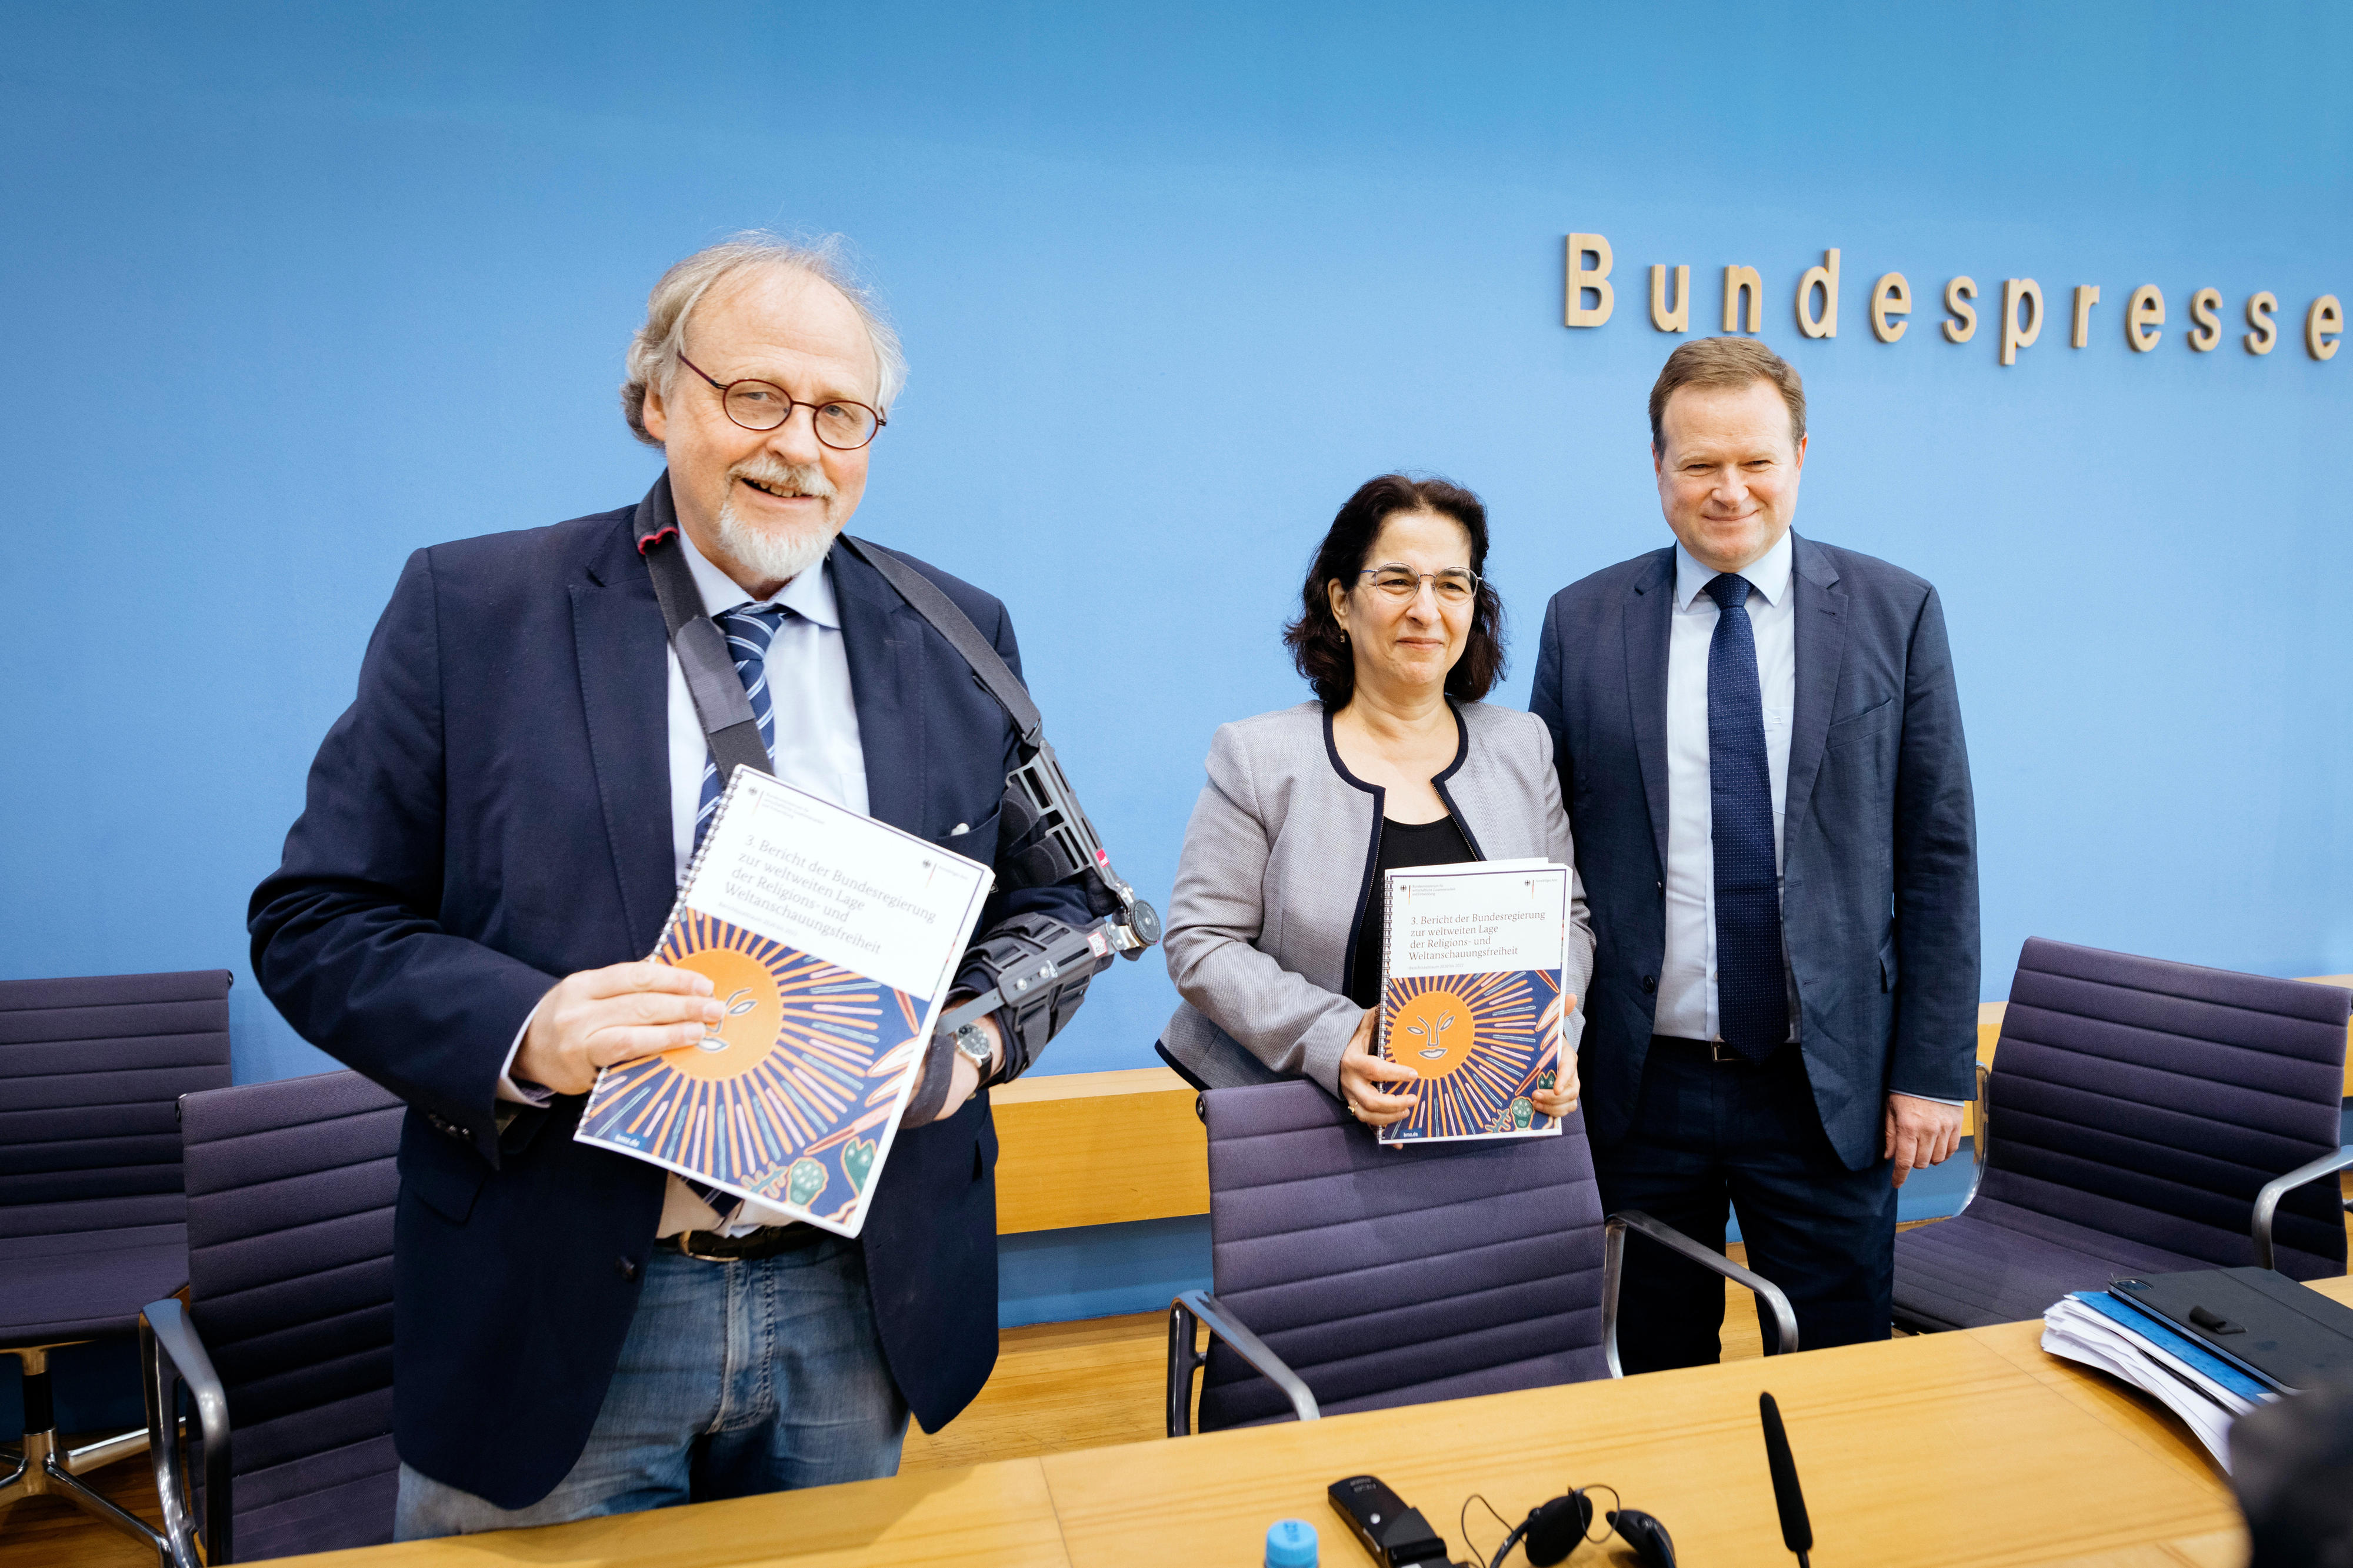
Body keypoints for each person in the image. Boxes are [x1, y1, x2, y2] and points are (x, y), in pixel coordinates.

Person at [247, 233, 1096, 1534]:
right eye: (752, 394)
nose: (795, 444)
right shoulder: (471, 608)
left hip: (853, 1295)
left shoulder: (955, 629)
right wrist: (529, 1031)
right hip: (560, 1286)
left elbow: (1058, 906)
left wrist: (970, 1044)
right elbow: (317, 921)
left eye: (840, 413)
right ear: (655, 396)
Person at [1528, 336, 1978, 1370]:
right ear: (1657, 470)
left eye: (1756, 461)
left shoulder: (1894, 612)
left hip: (1826, 1086)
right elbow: (1544, 855)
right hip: (1644, 1085)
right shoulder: (1583, 621)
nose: (1729, 490)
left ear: (1801, 458)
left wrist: (1933, 1072)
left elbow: (1940, 855)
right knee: (1653, 1367)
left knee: (1839, 1373)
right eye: (1698, 464)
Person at [1158, 474, 1595, 1124]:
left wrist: (1559, 1029)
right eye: (1396, 581)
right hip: (1307, 1129)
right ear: (1340, 601)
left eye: (1452, 584)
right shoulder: (1260, 758)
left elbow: (1570, 921)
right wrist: (1336, 1042)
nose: (1426, 608)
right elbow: (1200, 941)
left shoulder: (1521, 746)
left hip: (1497, 1123)